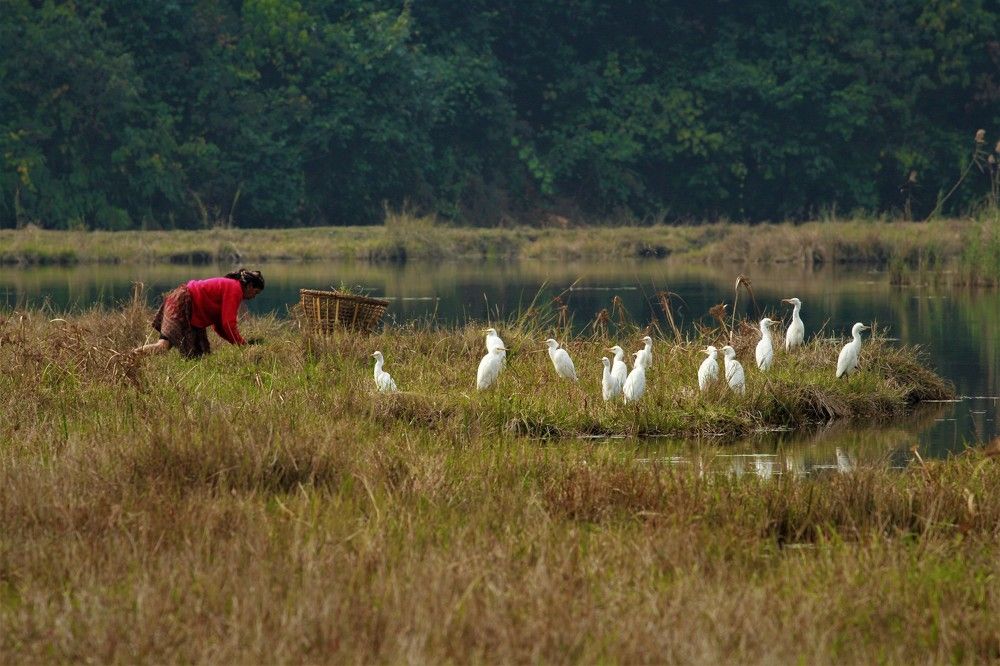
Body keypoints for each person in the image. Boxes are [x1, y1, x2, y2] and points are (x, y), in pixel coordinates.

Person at [134, 268, 264, 358]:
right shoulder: (235, 289)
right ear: (250, 286)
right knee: (163, 346)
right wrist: (242, 345)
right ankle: (129, 356)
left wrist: (239, 345)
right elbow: (228, 323)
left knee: (198, 354)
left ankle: (130, 357)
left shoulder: (232, 286)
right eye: (256, 292)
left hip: (185, 304)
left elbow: (219, 325)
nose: (254, 296)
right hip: (183, 303)